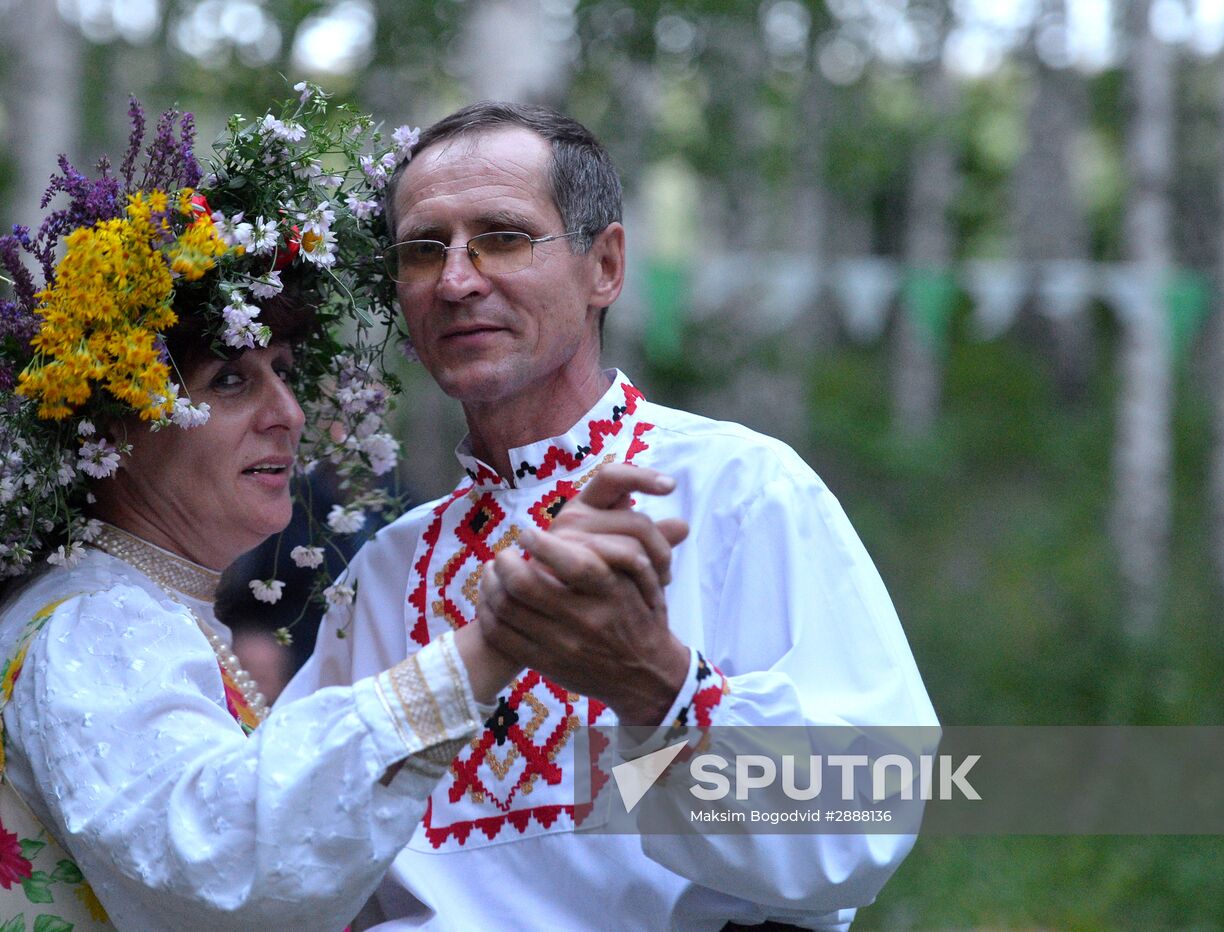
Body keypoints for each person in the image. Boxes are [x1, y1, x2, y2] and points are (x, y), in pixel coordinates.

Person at [281, 102, 939, 930]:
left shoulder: (739, 489)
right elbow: (293, 852)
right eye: (424, 249)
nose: (456, 280)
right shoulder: (384, 570)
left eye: (504, 236)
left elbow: (869, 819)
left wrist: (656, 688)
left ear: (606, 266)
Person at [0, 90, 529, 930]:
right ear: (115, 426)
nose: (290, 413)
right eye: (230, 380)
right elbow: (222, 870)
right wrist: (480, 658)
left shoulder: (131, 605)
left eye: (284, 370)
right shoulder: (100, 628)